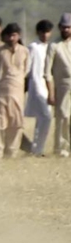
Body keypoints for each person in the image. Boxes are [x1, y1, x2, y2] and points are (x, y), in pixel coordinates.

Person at [0, 23, 29, 158]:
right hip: (1, 91)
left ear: (18, 36)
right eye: (9, 35)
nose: (11, 38)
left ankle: (12, 151)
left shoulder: (24, 51)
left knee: (16, 123)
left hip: (18, 92)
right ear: (4, 36)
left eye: (14, 35)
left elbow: (26, 71)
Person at [25, 20, 54, 156]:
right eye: (43, 32)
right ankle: (38, 148)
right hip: (36, 85)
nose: (45, 35)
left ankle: (36, 148)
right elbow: (27, 68)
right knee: (46, 117)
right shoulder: (33, 47)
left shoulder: (50, 47)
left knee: (42, 118)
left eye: (47, 32)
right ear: (38, 32)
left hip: (47, 85)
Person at [45, 13, 71, 157]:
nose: (66, 30)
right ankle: (61, 148)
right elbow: (47, 71)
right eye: (64, 27)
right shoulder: (54, 45)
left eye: (68, 27)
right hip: (62, 85)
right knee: (63, 117)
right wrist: (51, 92)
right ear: (60, 27)